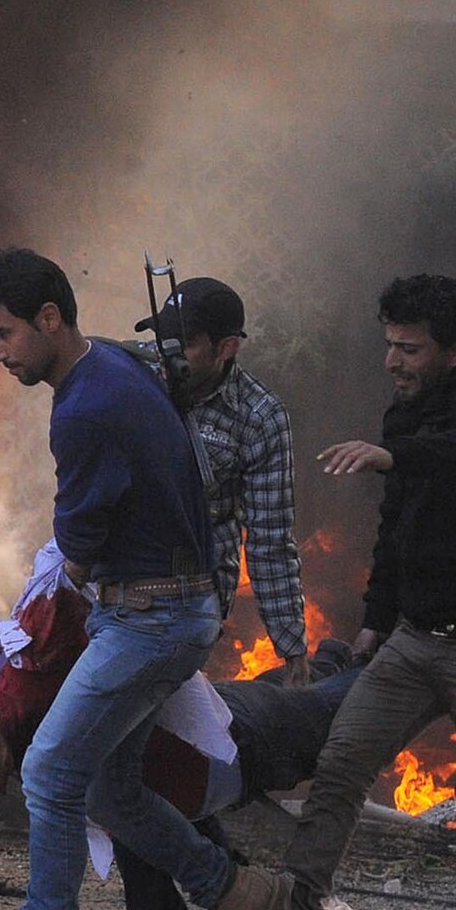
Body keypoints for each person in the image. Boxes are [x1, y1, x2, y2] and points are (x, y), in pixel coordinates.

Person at [0, 247, 291, 910]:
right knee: (110, 788)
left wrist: (50, 586)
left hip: (151, 618)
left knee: (46, 769)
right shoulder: (110, 367)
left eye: (5, 334)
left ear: (50, 319)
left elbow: (79, 544)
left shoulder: (87, 407)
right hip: (164, 608)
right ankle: (243, 898)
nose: (1, 353)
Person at [0, 539, 361, 910]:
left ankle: (397, 664)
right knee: (118, 794)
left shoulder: (37, 715)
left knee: (347, 707)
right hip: (209, 733)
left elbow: (64, 596)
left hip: (230, 745)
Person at [260, 273, 456, 910]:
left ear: (453, 351)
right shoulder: (405, 416)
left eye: (410, 348)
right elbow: (398, 530)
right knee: (340, 768)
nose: (394, 361)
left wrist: (395, 456)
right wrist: (374, 623)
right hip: (414, 642)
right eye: (390, 345)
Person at [134, 277, 311, 685]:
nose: (167, 355)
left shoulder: (259, 416)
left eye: (186, 343)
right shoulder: (133, 377)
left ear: (226, 348)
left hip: (193, 593)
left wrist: (291, 646)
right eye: (164, 339)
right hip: (120, 583)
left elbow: (270, 539)